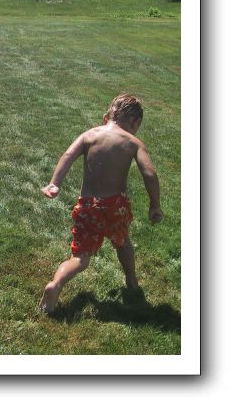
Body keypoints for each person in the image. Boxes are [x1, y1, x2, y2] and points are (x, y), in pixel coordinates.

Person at [38, 94, 164, 314]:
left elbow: (67, 155)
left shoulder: (90, 135)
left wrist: (54, 184)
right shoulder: (133, 142)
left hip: (88, 206)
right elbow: (150, 174)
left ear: (107, 117)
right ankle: (132, 283)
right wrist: (155, 204)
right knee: (123, 243)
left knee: (79, 258)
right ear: (135, 124)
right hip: (116, 207)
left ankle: (56, 284)